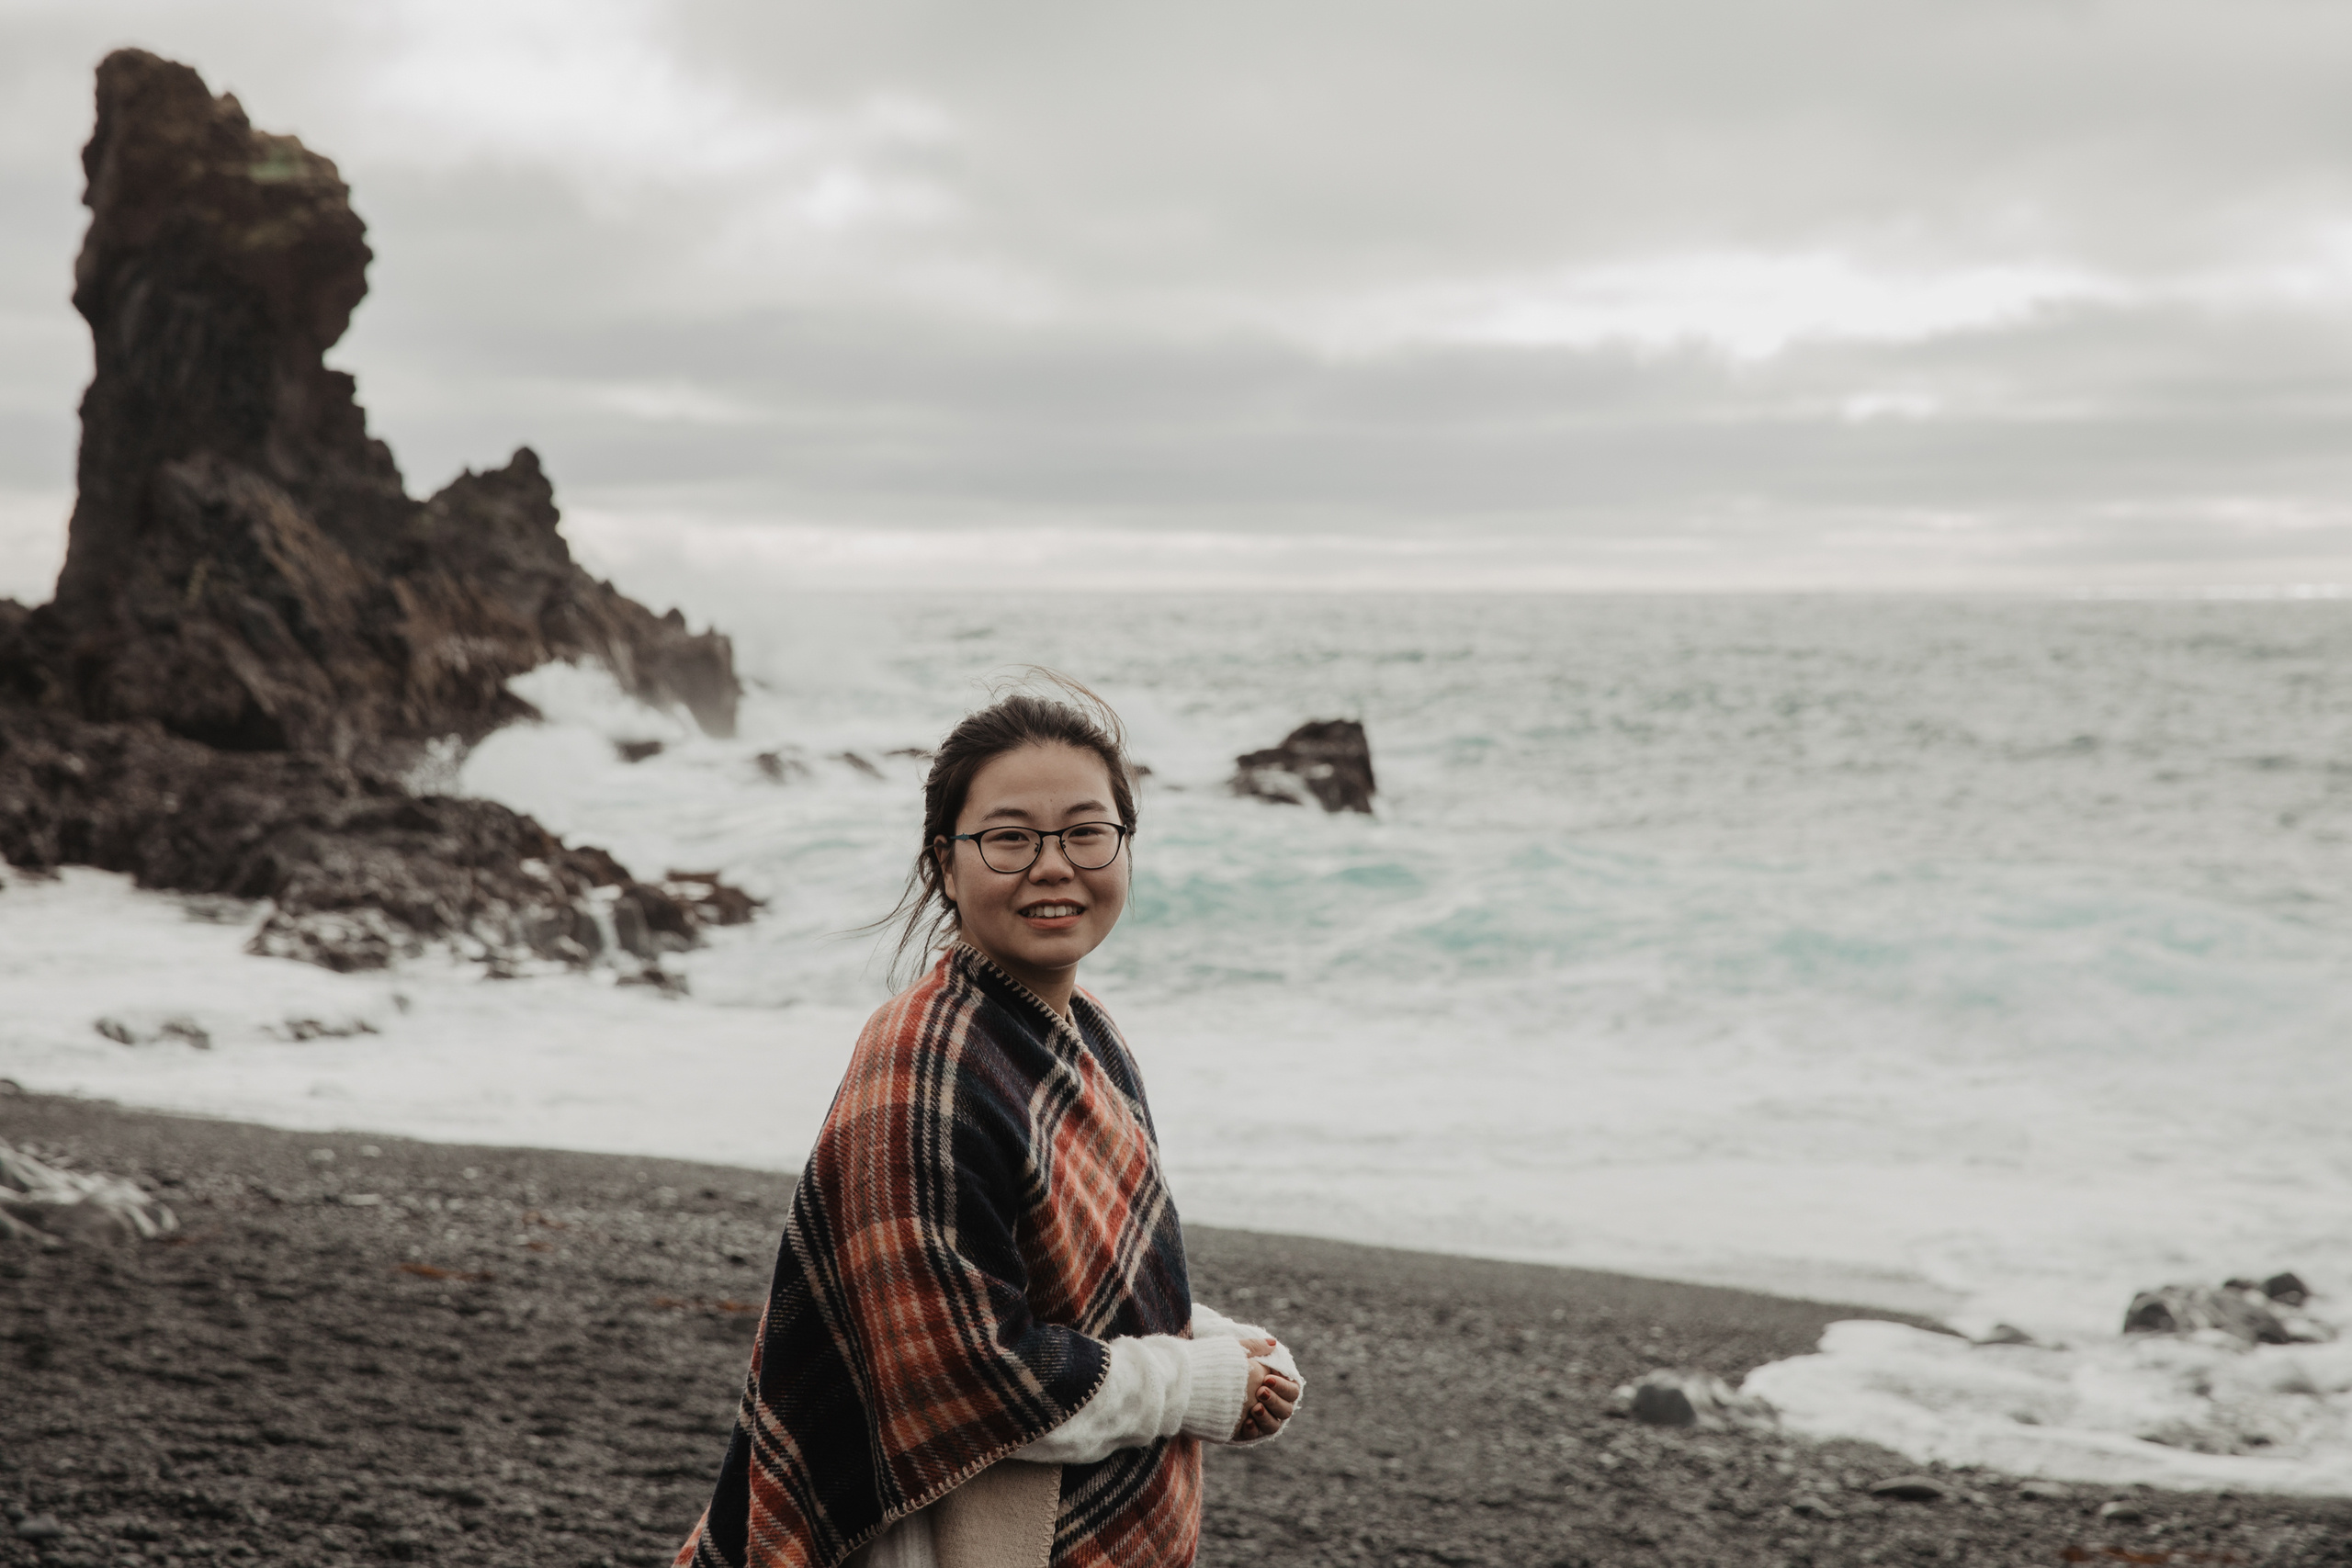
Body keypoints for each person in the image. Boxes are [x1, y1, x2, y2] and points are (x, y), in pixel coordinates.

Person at [674, 682, 1304, 1568]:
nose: (1054, 865)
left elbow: (1048, 1280)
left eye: (1087, 830)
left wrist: (1219, 1340)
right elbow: (966, 1371)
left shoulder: (1086, 1032)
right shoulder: (923, 1061)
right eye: (1009, 837)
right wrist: (1196, 1383)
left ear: (1126, 844)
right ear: (945, 862)